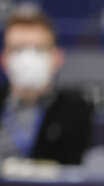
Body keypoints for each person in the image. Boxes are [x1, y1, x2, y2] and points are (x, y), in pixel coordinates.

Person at [0, 7, 93, 164]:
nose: (27, 58)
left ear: (57, 58)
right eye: (18, 49)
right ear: (4, 59)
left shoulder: (77, 110)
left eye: (38, 48)